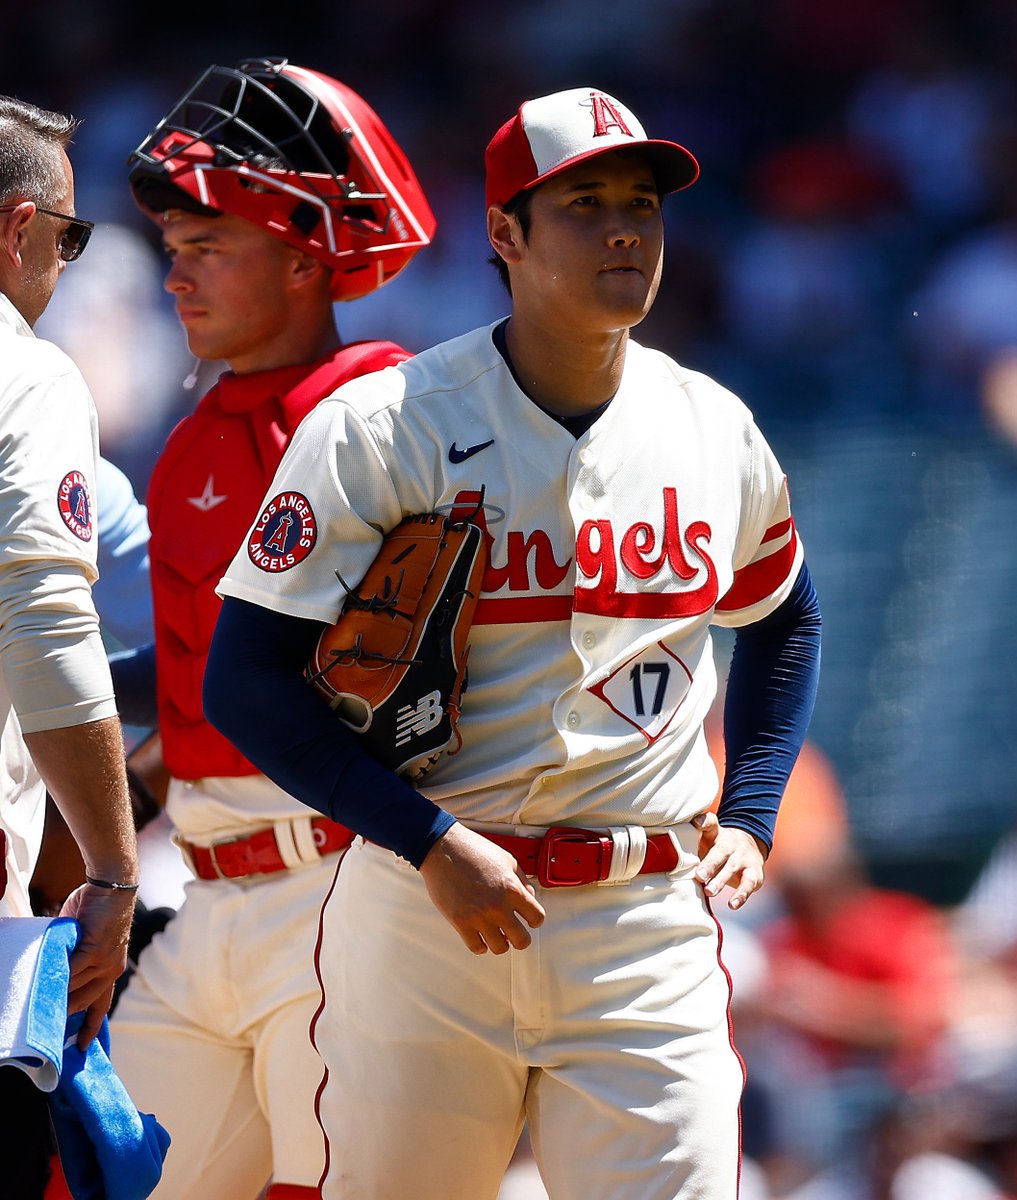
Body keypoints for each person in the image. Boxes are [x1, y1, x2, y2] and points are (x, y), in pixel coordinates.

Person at [205, 86, 822, 1199]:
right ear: (505, 233)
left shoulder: (712, 425)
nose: (626, 228)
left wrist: (755, 805)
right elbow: (243, 682)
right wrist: (427, 839)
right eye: (583, 204)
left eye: (642, 203)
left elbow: (786, 617)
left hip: (642, 921)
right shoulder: (389, 426)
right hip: (428, 915)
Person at [104, 57, 435, 1200]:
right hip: (208, 895)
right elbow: (200, 674)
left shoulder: (389, 416)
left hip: (347, 886)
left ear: (306, 259)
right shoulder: (200, 428)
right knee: (103, 1180)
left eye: (209, 249)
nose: (175, 280)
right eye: (172, 252)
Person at [0, 94, 140, 1195]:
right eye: (69, 236)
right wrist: (112, 870)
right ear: (17, 229)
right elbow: (45, 629)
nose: (67, 261)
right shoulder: (26, 371)